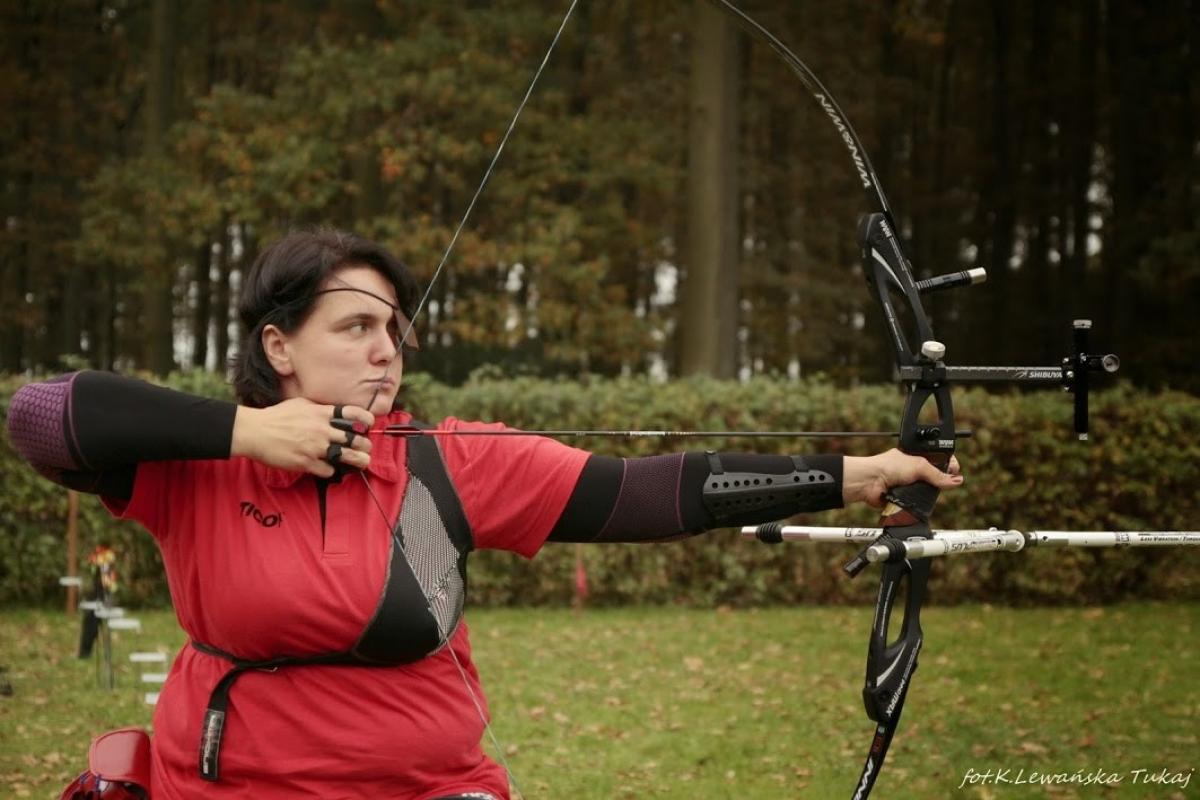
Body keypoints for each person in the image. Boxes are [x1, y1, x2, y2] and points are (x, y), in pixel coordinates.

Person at [7, 229, 963, 799]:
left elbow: (647, 490)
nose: (387, 351)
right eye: (355, 327)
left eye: (394, 330)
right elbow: (41, 418)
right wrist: (249, 436)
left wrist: (854, 471)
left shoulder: (446, 464)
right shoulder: (202, 466)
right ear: (279, 346)